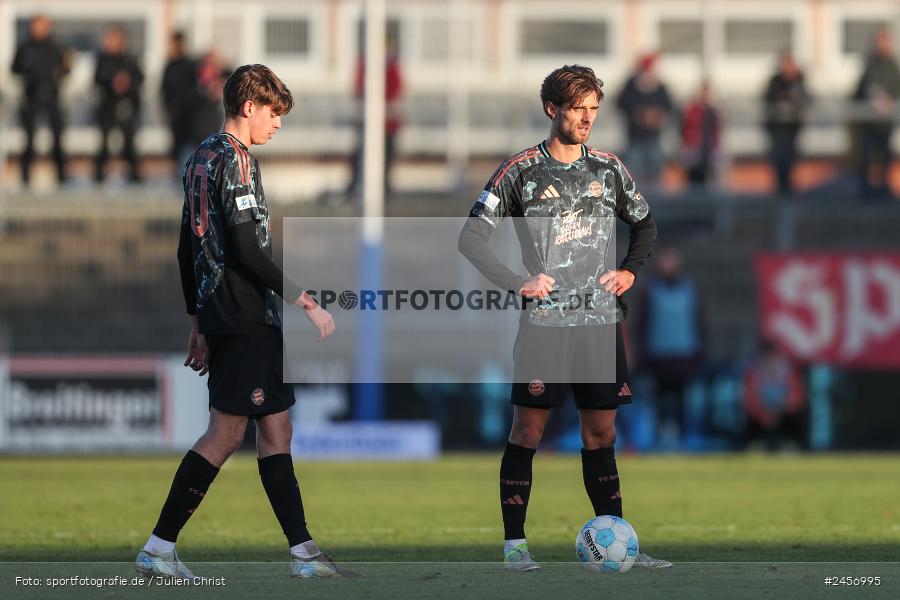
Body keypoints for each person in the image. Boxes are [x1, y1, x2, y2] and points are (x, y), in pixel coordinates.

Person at [458, 65, 669, 571]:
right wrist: (518, 282)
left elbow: (645, 226)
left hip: (599, 324)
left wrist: (630, 272)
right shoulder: (520, 171)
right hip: (545, 326)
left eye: (594, 109)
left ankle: (622, 543)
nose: (586, 118)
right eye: (578, 108)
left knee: (601, 436)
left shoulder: (610, 169)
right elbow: (470, 238)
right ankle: (515, 547)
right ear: (552, 108)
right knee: (527, 432)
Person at [135, 64, 338, 580]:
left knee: (277, 428)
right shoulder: (237, 160)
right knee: (225, 435)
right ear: (249, 107)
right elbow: (247, 248)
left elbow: (188, 247)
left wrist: (197, 321)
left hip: (222, 311)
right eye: (274, 113)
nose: (277, 125)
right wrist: (305, 301)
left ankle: (304, 553)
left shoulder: (199, 156)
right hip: (245, 311)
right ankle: (159, 547)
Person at [637, 247, 705, 447]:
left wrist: (700, 351)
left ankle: (683, 438)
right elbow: (642, 324)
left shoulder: (690, 290)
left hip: (684, 355)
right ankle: (659, 437)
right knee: (659, 400)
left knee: (683, 401)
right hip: (658, 356)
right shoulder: (650, 291)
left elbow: (699, 321)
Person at [11, 14, 70, 186]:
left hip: (52, 97)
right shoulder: (25, 48)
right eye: (37, 25)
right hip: (31, 97)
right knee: (29, 139)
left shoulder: (56, 47)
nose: (40, 29)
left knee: (57, 137)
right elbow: (15, 69)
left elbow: (65, 70)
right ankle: (25, 179)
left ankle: (61, 178)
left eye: (43, 25)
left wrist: (64, 70)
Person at [345, 37, 403, 195]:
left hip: (387, 121)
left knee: (387, 153)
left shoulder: (391, 67)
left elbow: (397, 90)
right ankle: (355, 184)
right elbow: (357, 89)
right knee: (361, 152)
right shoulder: (365, 65)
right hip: (368, 120)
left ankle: (385, 186)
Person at [853, 28, 900, 199]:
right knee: (866, 156)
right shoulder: (870, 65)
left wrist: (888, 100)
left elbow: (896, 91)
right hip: (869, 123)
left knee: (884, 157)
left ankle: (884, 189)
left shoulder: (892, 67)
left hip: (885, 123)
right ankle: (865, 191)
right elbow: (860, 91)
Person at [94, 26, 144, 183]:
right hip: (107, 107)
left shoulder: (129, 59)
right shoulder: (102, 59)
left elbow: (139, 78)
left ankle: (134, 175)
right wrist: (112, 81)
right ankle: (99, 175)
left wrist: (127, 82)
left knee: (129, 142)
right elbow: (98, 79)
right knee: (104, 142)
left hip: (126, 107)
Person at [616, 53, 673, 188]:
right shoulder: (631, 85)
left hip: (653, 137)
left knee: (655, 172)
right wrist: (639, 113)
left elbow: (668, 107)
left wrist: (657, 115)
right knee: (633, 173)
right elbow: (621, 103)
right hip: (635, 137)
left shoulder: (660, 87)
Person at [743, 340, 806, 451]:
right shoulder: (753, 373)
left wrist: (782, 410)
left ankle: (791, 444)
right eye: (766, 357)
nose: (770, 360)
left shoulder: (789, 371)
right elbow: (749, 400)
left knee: (798, 415)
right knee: (747, 419)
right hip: (761, 417)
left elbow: (797, 398)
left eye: (773, 356)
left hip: (784, 414)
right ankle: (755, 445)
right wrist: (763, 414)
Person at [763, 52, 811, 195]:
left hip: (792, 129)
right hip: (777, 129)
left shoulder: (799, 81)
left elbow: (808, 99)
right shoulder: (774, 82)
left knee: (791, 159)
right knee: (779, 160)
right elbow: (767, 100)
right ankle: (780, 189)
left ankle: (788, 188)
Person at [161, 32, 198, 175]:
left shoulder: (190, 65)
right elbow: (164, 89)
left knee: (188, 146)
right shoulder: (169, 66)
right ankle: (177, 175)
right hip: (175, 114)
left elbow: (194, 89)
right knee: (176, 147)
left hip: (188, 115)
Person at [680, 81, 721, 187]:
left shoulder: (713, 112)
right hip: (694, 151)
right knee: (693, 181)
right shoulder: (691, 110)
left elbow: (716, 132)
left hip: (708, 151)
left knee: (710, 181)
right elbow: (685, 130)